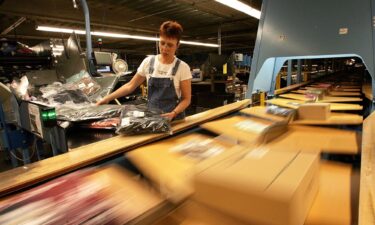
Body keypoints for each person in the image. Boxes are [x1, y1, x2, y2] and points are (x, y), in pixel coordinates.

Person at [96, 21, 192, 120]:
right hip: (153, 118)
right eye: (162, 43)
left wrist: (174, 113)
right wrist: (107, 98)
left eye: (170, 45)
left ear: (177, 45)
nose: (164, 48)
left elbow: (186, 99)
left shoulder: (182, 67)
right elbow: (130, 86)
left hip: (175, 120)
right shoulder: (148, 62)